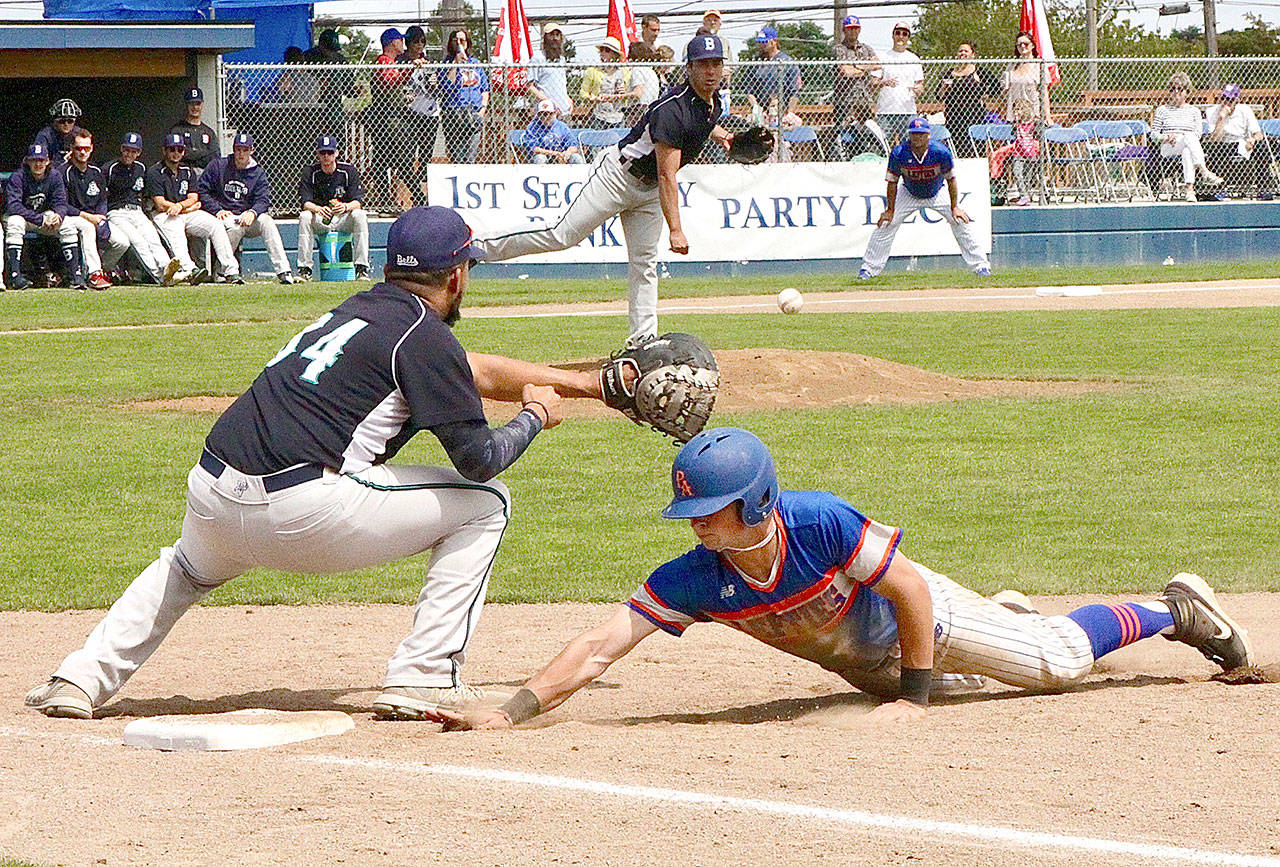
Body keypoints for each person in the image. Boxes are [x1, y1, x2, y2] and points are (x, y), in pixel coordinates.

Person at [23, 205, 618, 723]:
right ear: (458, 276)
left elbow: (474, 368)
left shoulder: (359, 311)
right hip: (306, 510)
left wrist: (584, 384)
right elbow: (478, 460)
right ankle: (425, 673)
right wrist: (534, 416)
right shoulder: (424, 337)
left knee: (182, 568)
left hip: (211, 492)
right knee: (487, 505)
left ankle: (78, 680)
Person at [445, 427, 1253, 730]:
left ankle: (1173, 608)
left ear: (759, 504)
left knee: (1054, 665)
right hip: (866, 656)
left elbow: (904, 590)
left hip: (922, 620)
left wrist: (915, 697)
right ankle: (1002, 614)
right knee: (998, 661)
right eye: (693, 512)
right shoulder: (699, 575)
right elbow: (601, 644)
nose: (698, 524)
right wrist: (513, 710)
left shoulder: (820, 521)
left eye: (715, 511)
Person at [474, 35, 734, 349]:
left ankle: (642, 340)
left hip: (648, 191)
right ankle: (481, 248)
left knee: (645, 262)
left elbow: (702, 123)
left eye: (716, 63)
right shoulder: (672, 109)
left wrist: (724, 136)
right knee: (562, 236)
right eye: (703, 64)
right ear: (689, 68)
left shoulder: (714, 103)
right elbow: (668, 175)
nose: (711, 70)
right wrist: (676, 230)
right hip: (618, 177)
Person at [859, 116, 990, 278]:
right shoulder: (899, 153)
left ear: (929, 135)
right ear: (909, 135)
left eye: (921, 134)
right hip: (909, 192)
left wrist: (955, 207)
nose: (917, 137)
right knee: (887, 223)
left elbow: (951, 180)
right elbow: (892, 182)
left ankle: (981, 266)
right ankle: (868, 269)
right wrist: (890, 210)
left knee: (960, 221)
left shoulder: (941, 152)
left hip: (936, 191)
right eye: (914, 134)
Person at [198, 132, 296, 284]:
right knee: (235, 228)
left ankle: (283, 271)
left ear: (252, 150)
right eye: (238, 149)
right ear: (233, 149)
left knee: (266, 221)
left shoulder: (257, 172)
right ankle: (221, 272)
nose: (241, 153)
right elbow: (202, 191)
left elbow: (263, 200)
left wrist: (253, 212)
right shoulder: (219, 166)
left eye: (245, 150)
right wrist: (217, 209)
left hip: (247, 217)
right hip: (225, 216)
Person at [147, 132, 237, 285]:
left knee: (215, 225)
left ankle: (230, 271)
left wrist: (180, 206)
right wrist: (184, 207)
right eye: (172, 149)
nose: (176, 153)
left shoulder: (187, 171)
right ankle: (190, 269)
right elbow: (160, 203)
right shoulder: (155, 171)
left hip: (183, 211)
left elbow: (193, 197)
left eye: (179, 150)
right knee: (176, 230)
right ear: (164, 151)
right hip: (164, 214)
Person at [104, 132, 183, 286]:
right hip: (117, 212)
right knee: (138, 241)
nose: (129, 154)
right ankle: (161, 278)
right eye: (127, 150)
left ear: (139, 153)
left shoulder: (141, 168)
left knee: (152, 238)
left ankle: (167, 268)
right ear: (121, 149)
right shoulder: (110, 168)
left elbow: (145, 194)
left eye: (134, 151)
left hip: (137, 211)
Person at [4, 143, 81, 291]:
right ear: (27, 161)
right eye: (34, 160)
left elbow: (61, 202)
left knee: (67, 225)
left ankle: (75, 276)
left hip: (45, 219)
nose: (38, 164)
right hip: (26, 218)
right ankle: (15, 276)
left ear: (47, 161)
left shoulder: (54, 175)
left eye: (41, 160)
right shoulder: (18, 177)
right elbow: (13, 206)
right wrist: (40, 219)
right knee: (15, 222)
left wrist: (58, 214)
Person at [59, 130, 129, 290]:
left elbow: (103, 199)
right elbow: (62, 205)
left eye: (86, 148)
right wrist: (89, 217)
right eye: (78, 148)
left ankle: (102, 268)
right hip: (72, 217)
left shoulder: (96, 172)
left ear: (91, 149)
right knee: (88, 227)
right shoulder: (63, 172)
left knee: (122, 243)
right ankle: (94, 274)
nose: (82, 152)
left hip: (95, 217)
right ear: (72, 149)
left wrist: (101, 217)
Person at [296, 135, 371, 281]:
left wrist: (345, 206)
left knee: (360, 215)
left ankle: (362, 268)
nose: (326, 157)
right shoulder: (310, 172)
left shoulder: (348, 171)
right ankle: (304, 270)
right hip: (321, 218)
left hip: (343, 218)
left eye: (330, 153)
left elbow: (358, 201)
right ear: (317, 155)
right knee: (305, 216)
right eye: (322, 153)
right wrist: (318, 209)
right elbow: (305, 203)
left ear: (336, 153)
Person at [1150, 72, 1223, 203]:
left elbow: (1197, 134)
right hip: (1169, 146)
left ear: (1187, 92)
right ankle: (1204, 171)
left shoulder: (1194, 111)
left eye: (1180, 89)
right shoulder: (1162, 110)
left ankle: (1189, 190)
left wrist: (1181, 137)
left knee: (1187, 151)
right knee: (1188, 140)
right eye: (1172, 89)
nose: (1176, 92)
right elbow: (1153, 134)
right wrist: (1166, 137)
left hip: (1188, 145)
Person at [1205, 83, 1274, 200]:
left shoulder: (1245, 110)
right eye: (1224, 98)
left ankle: (1263, 187)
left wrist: (1252, 140)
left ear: (1237, 101)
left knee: (1262, 146)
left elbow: (1258, 134)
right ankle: (1219, 188)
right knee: (1213, 148)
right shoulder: (1212, 111)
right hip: (1222, 145)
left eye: (1230, 100)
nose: (1226, 102)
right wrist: (1221, 118)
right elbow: (1214, 139)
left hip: (1242, 143)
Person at [371, 27, 414, 211]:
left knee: (386, 160)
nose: (403, 43)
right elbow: (389, 82)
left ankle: (386, 199)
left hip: (393, 117)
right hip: (388, 119)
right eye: (400, 40)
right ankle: (415, 196)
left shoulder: (393, 63)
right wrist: (409, 70)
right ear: (391, 43)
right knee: (397, 159)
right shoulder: (383, 62)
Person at [936, 41, 997, 159]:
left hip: (974, 116)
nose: (962, 53)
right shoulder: (949, 73)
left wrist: (985, 94)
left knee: (975, 149)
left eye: (966, 51)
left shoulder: (979, 72)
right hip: (954, 118)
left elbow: (996, 88)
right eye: (960, 51)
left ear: (973, 54)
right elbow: (938, 96)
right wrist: (944, 88)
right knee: (954, 150)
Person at [400, 25, 440, 203]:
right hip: (409, 114)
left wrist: (434, 82)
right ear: (408, 43)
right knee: (406, 158)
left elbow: (436, 90)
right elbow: (397, 84)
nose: (419, 45)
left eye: (422, 41)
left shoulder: (428, 62)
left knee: (425, 158)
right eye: (416, 41)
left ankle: (420, 194)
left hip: (429, 114)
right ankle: (418, 195)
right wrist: (404, 94)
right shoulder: (401, 61)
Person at [440, 29, 490, 163]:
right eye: (456, 41)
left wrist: (482, 109)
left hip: (474, 113)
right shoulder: (446, 63)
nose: (459, 43)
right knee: (458, 158)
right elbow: (446, 85)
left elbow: (485, 89)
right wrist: (456, 63)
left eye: (462, 40)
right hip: (454, 114)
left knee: (470, 158)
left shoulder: (475, 63)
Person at [832, 16, 881, 147]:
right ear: (844, 30)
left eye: (855, 29)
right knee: (844, 138)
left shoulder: (866, 48)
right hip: (845, 102)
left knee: (868, 135)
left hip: (865, 100)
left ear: (859, 30)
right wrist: (865, 68)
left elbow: (877, 64)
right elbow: (846, 71)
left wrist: (857, 67)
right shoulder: (839, 49)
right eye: (849, 29)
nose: (853, 32)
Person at [875, 22, 924, 148]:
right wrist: (884, 82)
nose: (900, 36)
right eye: (898, 33)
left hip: (908, 111)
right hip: (885, 111)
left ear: (908, 37)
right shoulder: (882, 57)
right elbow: (872, 83)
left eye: (904, 34)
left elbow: (920, 86)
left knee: (909, 147)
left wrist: (917, 89)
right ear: (893, 35)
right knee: (882, 146)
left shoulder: (914, 59)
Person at [989, 98, 1041, 206]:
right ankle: (1023, 195)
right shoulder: (1016, 124)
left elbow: (1038, 134)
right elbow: (1014, 134)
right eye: (1015, 110)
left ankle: (1025, 195)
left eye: (1019, 110)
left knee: (1027, 176)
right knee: (1017, 172)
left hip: (1030, 153)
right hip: (1018, 153)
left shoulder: (1033, 124)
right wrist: (1016, 122)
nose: (1016, 112)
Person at [743, 26, 801, 119]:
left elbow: (795, 91)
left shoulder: (787, 62)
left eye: (765, 42)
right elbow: (749, 91)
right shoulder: (755, 63)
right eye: (759, 43)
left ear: (774, 41)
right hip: (762, 112)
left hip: (782, 111)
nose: (761, 45)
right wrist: (756, 109)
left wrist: (789, 113)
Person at [581, 36, 634, 130]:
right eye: (602, 50)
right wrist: (594, 98)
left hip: (618, 116)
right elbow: (583, 93)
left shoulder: (624, 71)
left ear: (615, 54)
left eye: (607, 50)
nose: (603, 53)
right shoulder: (593, 70)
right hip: (599, 115)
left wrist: (624, 92)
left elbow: (629, 93)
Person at [1001, 31, 1051, 124]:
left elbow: (1044, 93)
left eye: (1026, 44)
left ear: (1032, 45)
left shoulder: (1039, 65)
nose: (1022, 46)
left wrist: (1047, 116)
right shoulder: (1011, 65)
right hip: (1014, 116)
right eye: (1019, 44)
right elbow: (1004, 92)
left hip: (1033, 115)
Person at [528, 22, 574, 117]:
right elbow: (530, 86)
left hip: (563, 112)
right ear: (545, 37)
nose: (555, 38)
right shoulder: (538, 58)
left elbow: (562, 85)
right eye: (551, 35)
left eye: (557, 35)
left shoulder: (561, 60)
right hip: (545, 114)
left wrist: (568, 99)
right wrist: (547, 101)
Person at [170, 87, 221, 173]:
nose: (195, 107)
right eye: (191, 104)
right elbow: (177, 154)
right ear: (186, 105)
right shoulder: (177, 130)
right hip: (183, 173)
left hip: (205, 173)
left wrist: (193, 154)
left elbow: (215, 156)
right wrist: (204, 153)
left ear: (202, 105)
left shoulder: (209, 132)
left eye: (197, 104)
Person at [524, 100, 584, 164]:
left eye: (549, 113)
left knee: (576, 158)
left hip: (562, 155)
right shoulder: (532, 127)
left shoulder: (562, 126)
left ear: (554, 113)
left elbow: (573, 145)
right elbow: (534, 148)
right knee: (540, 158)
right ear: (538, 115)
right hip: (544, 155)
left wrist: (568, 152)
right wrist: (554, 153)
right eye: (543, 114)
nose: (546, 117)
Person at [34, 98, 87, 167]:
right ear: (55, 121)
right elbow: (38, 163)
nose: (66, 124)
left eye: (70, 121)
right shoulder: (45, 136)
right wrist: (62, 161)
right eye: (62, 121)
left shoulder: (79, 134)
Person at [625, 44, 664, 123]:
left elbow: (638, 93)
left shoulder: (637, 70)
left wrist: (622, 95)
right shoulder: (651, 71)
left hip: (639, 110)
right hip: (651, 108)